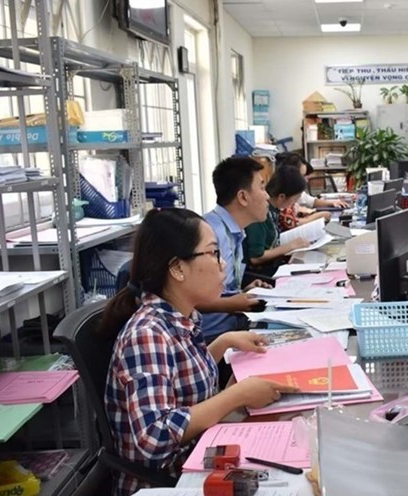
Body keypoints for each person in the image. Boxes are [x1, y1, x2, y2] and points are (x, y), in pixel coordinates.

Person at [102, 208, 299, 496]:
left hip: (200, 456)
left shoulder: (178, 317)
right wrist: (238, 395)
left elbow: (181, 378)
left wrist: (224, 342)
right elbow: (154, 437)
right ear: (177, 268)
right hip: (171, 483)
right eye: (213, 253)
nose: (223, 264)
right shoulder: (147, 334)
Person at [199, 157, 273, 340]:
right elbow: (191, 299)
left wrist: (244, 292)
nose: (267, 196)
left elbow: (219, 290)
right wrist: (233, 303)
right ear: (242, 197)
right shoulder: (210, 234)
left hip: (233, 326)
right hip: (213, 337)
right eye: (262, 187)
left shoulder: (234, 230)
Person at [243, 165, 311, 276]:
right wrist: (290, 246)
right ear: (281, 197)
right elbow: (256, 257)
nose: (295, 203)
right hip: (260, 273)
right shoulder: (260, 213)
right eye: (295, 198)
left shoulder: (274, 210)